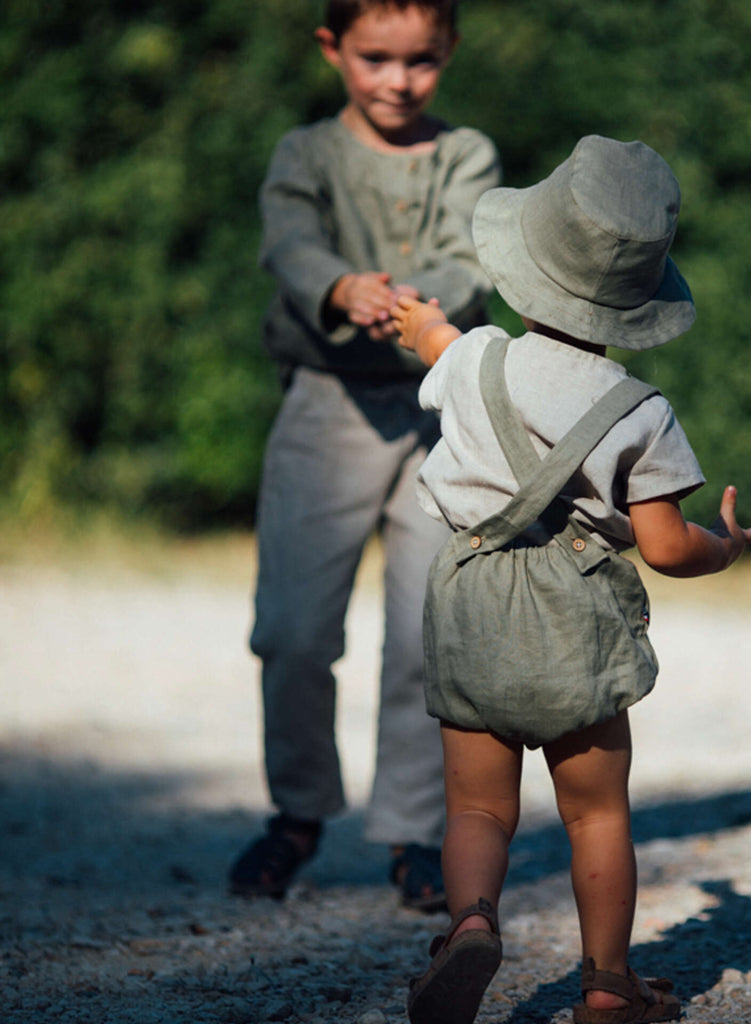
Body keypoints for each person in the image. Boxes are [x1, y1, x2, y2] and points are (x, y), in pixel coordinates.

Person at [390, 135, 751, 1024]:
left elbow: (435, 340)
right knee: (596, 815)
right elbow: (666, 547)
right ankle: (605, 989)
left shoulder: (475, 358)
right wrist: (726, 544)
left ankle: (469, 924)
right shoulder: (641, 412)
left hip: (473, 593)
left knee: (477, 807)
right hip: (573, 611)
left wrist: (415, 324)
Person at [229, 0, 501, 909]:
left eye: (421, 60)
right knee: (294, 628)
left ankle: (418, 835)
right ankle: (297, 813)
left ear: (450, 53)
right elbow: (289, 243)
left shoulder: (467, 153)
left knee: (431, 634)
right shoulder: (305, 154)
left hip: (439, 415)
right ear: (332, 49)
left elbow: (473, 255)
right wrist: (343, 288)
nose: (398, 80)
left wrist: (424, 303)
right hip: (327, 406)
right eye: (375, 58)